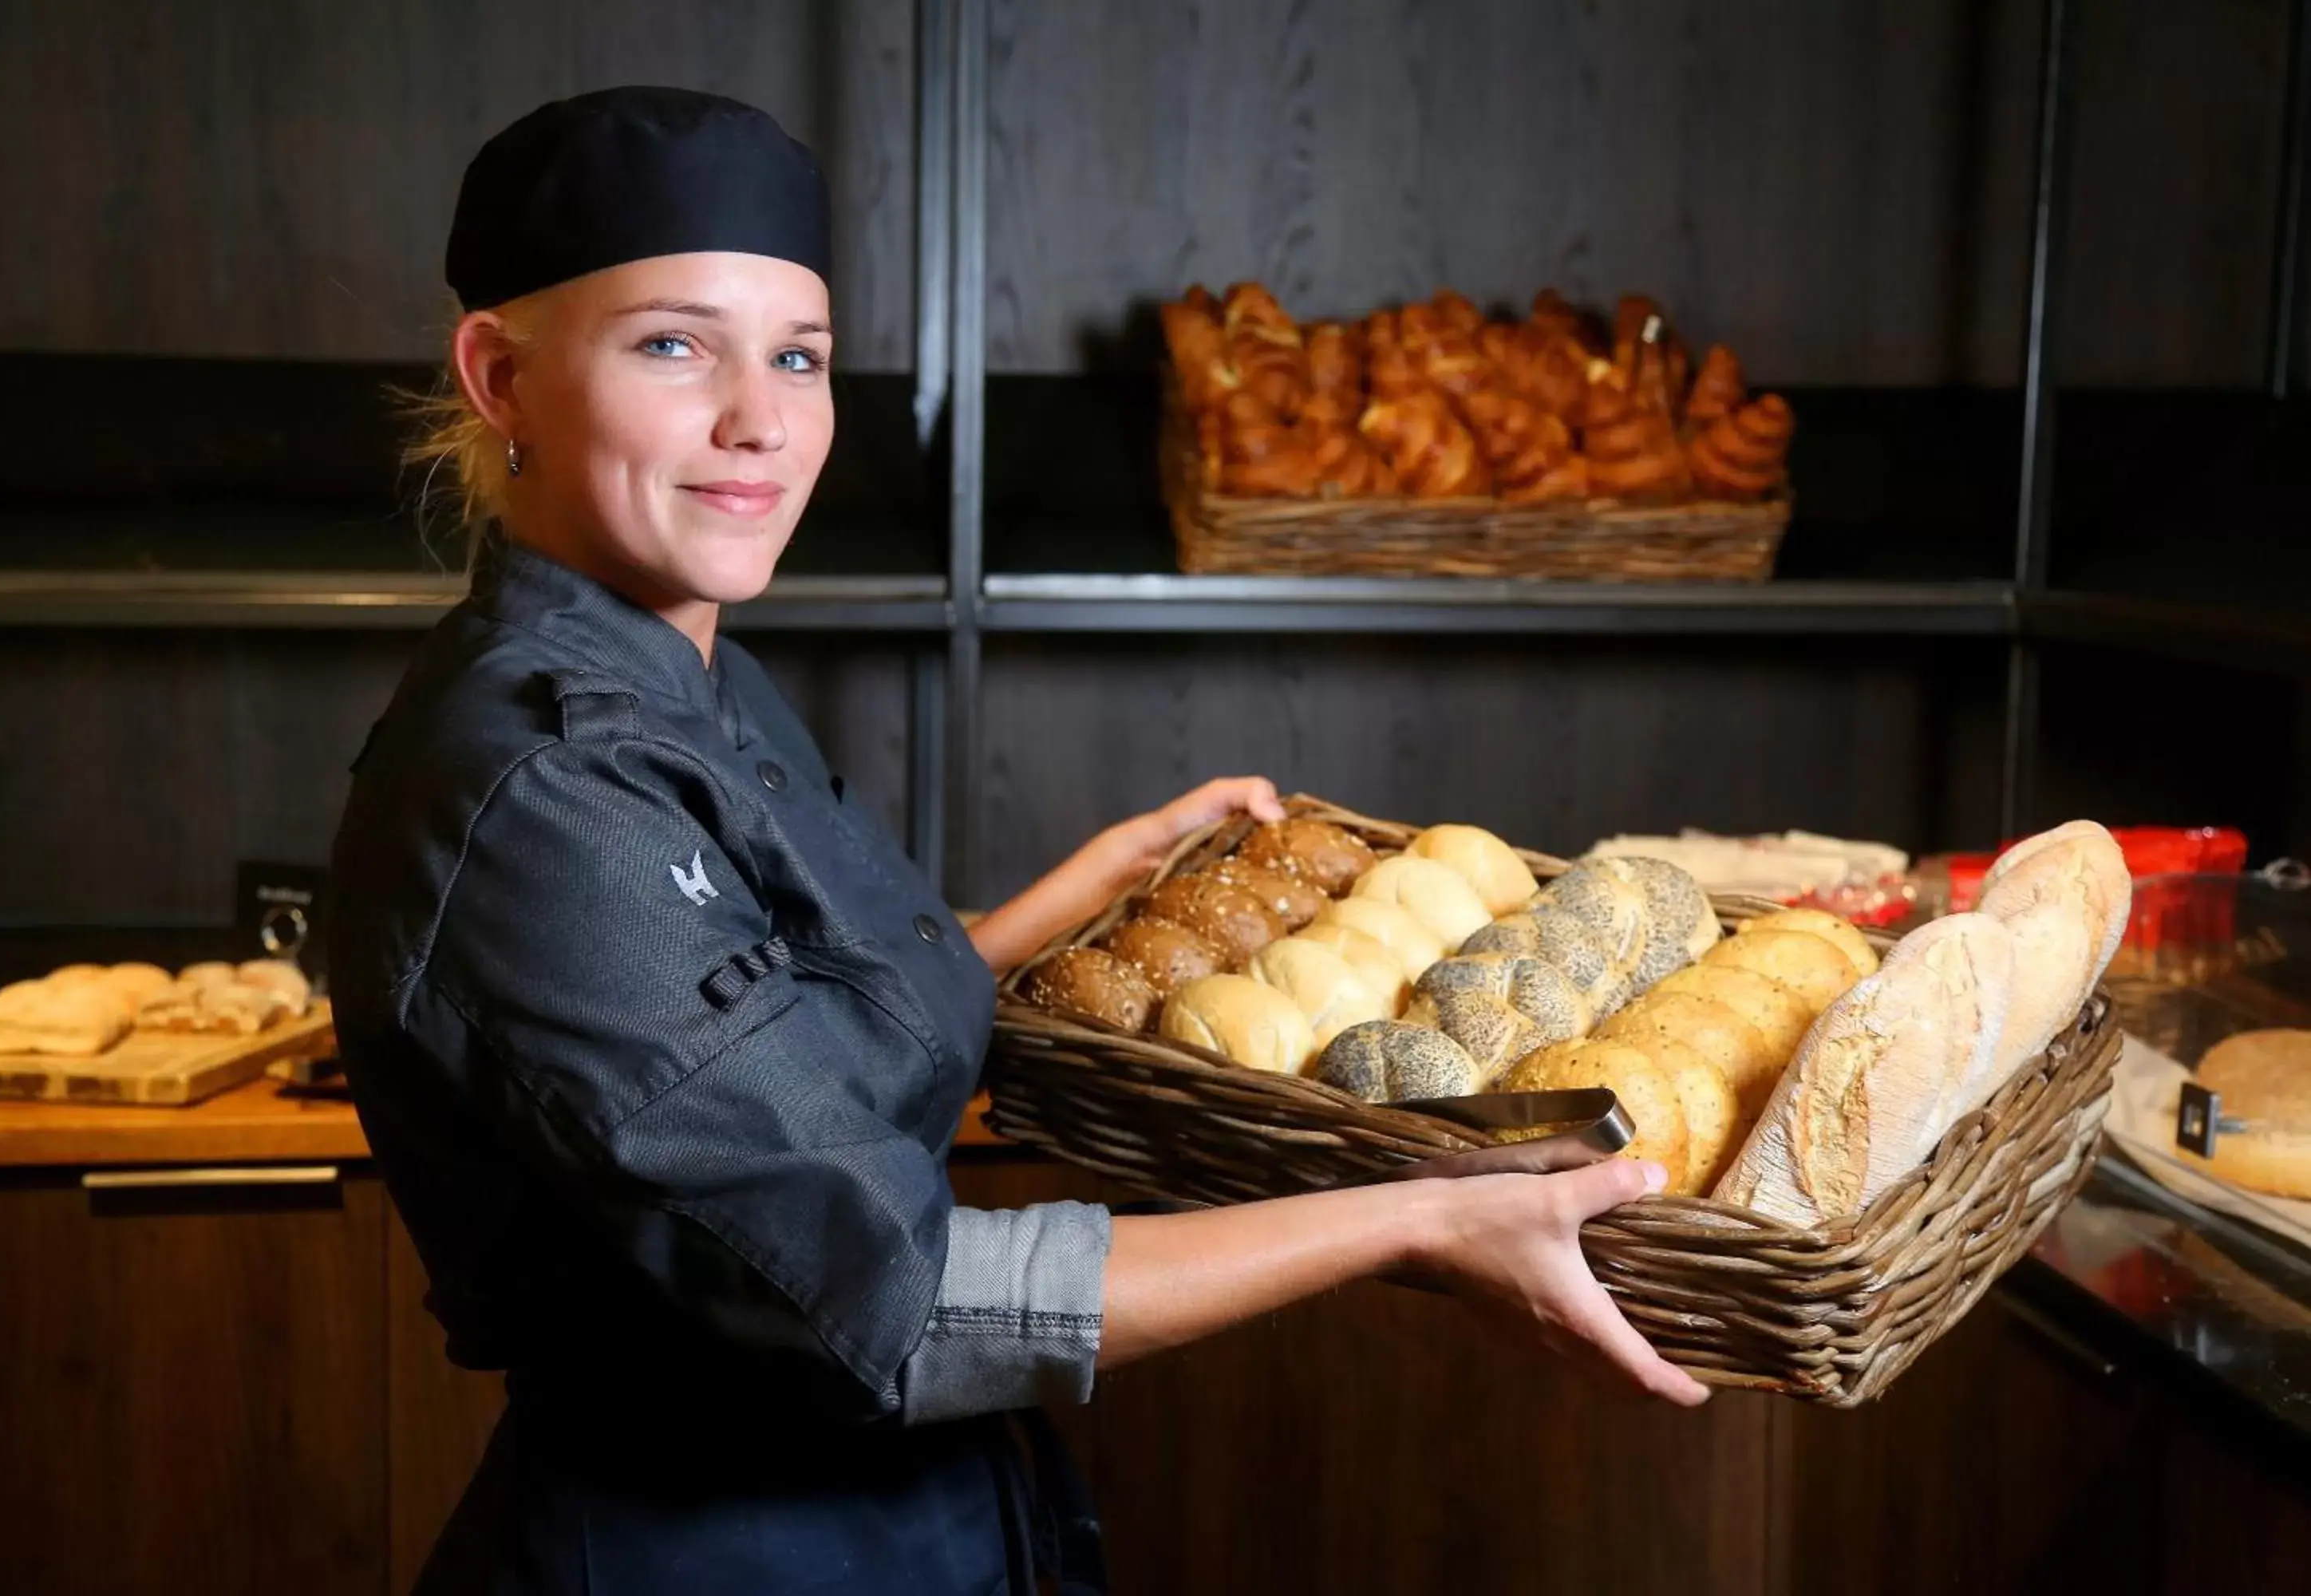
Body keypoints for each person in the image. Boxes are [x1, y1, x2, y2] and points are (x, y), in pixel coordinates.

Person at [330, 85, 1705, 1596]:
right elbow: (898, 1300)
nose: (760, 421)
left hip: (903, 1521)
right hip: (704, 1548)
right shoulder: (539, 790)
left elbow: (774, 1067)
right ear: (500, 377)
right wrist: (1419, 1222)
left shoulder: (682, 671)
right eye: (674, 346)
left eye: (799, 357)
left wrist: (1076, 894)